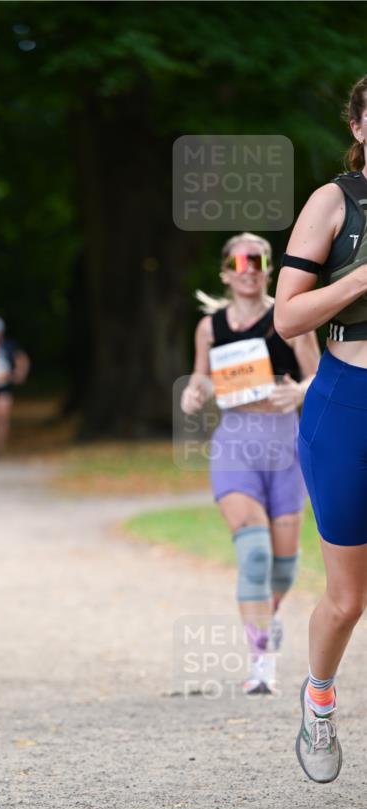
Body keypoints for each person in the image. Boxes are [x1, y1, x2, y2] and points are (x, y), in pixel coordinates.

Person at [274, 76, 367, 783]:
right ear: (359, 128)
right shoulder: (334, 203)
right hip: (347, 402)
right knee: (346, 598)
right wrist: (359, 281)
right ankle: (319, 698)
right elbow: (287, 318)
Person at [181, 233, 320, 695]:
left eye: (257, 259)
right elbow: (201, 375)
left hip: (286, 447)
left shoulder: (292, 318)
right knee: (255, 555)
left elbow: (317, 375)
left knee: (282, 568)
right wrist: (194, 389)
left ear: (268, 267)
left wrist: (297, 392)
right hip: (236, 444)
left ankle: (269, 616)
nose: (248, 268)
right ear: (225, 272)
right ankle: (262, 662)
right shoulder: (210, 326)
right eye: (238, 261)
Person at [0, 314, 30, 454]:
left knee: (2, 417)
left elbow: (22, 360)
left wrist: (18, 374)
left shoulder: (9, 345)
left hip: (4, 387)